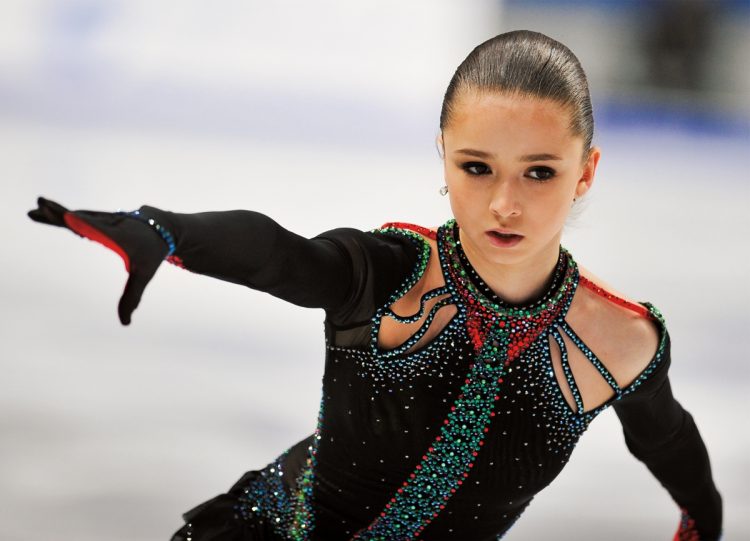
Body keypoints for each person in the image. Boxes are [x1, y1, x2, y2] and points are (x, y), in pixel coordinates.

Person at [28, 30, 722, 541]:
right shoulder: (394, 273)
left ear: (586, 172)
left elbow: (668, 439)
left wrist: (704, 515)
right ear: (444, 160)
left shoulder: (621, 340)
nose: (504, 203)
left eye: (538, 172)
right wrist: (165, 229)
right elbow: (279, 255)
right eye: (477, 167)